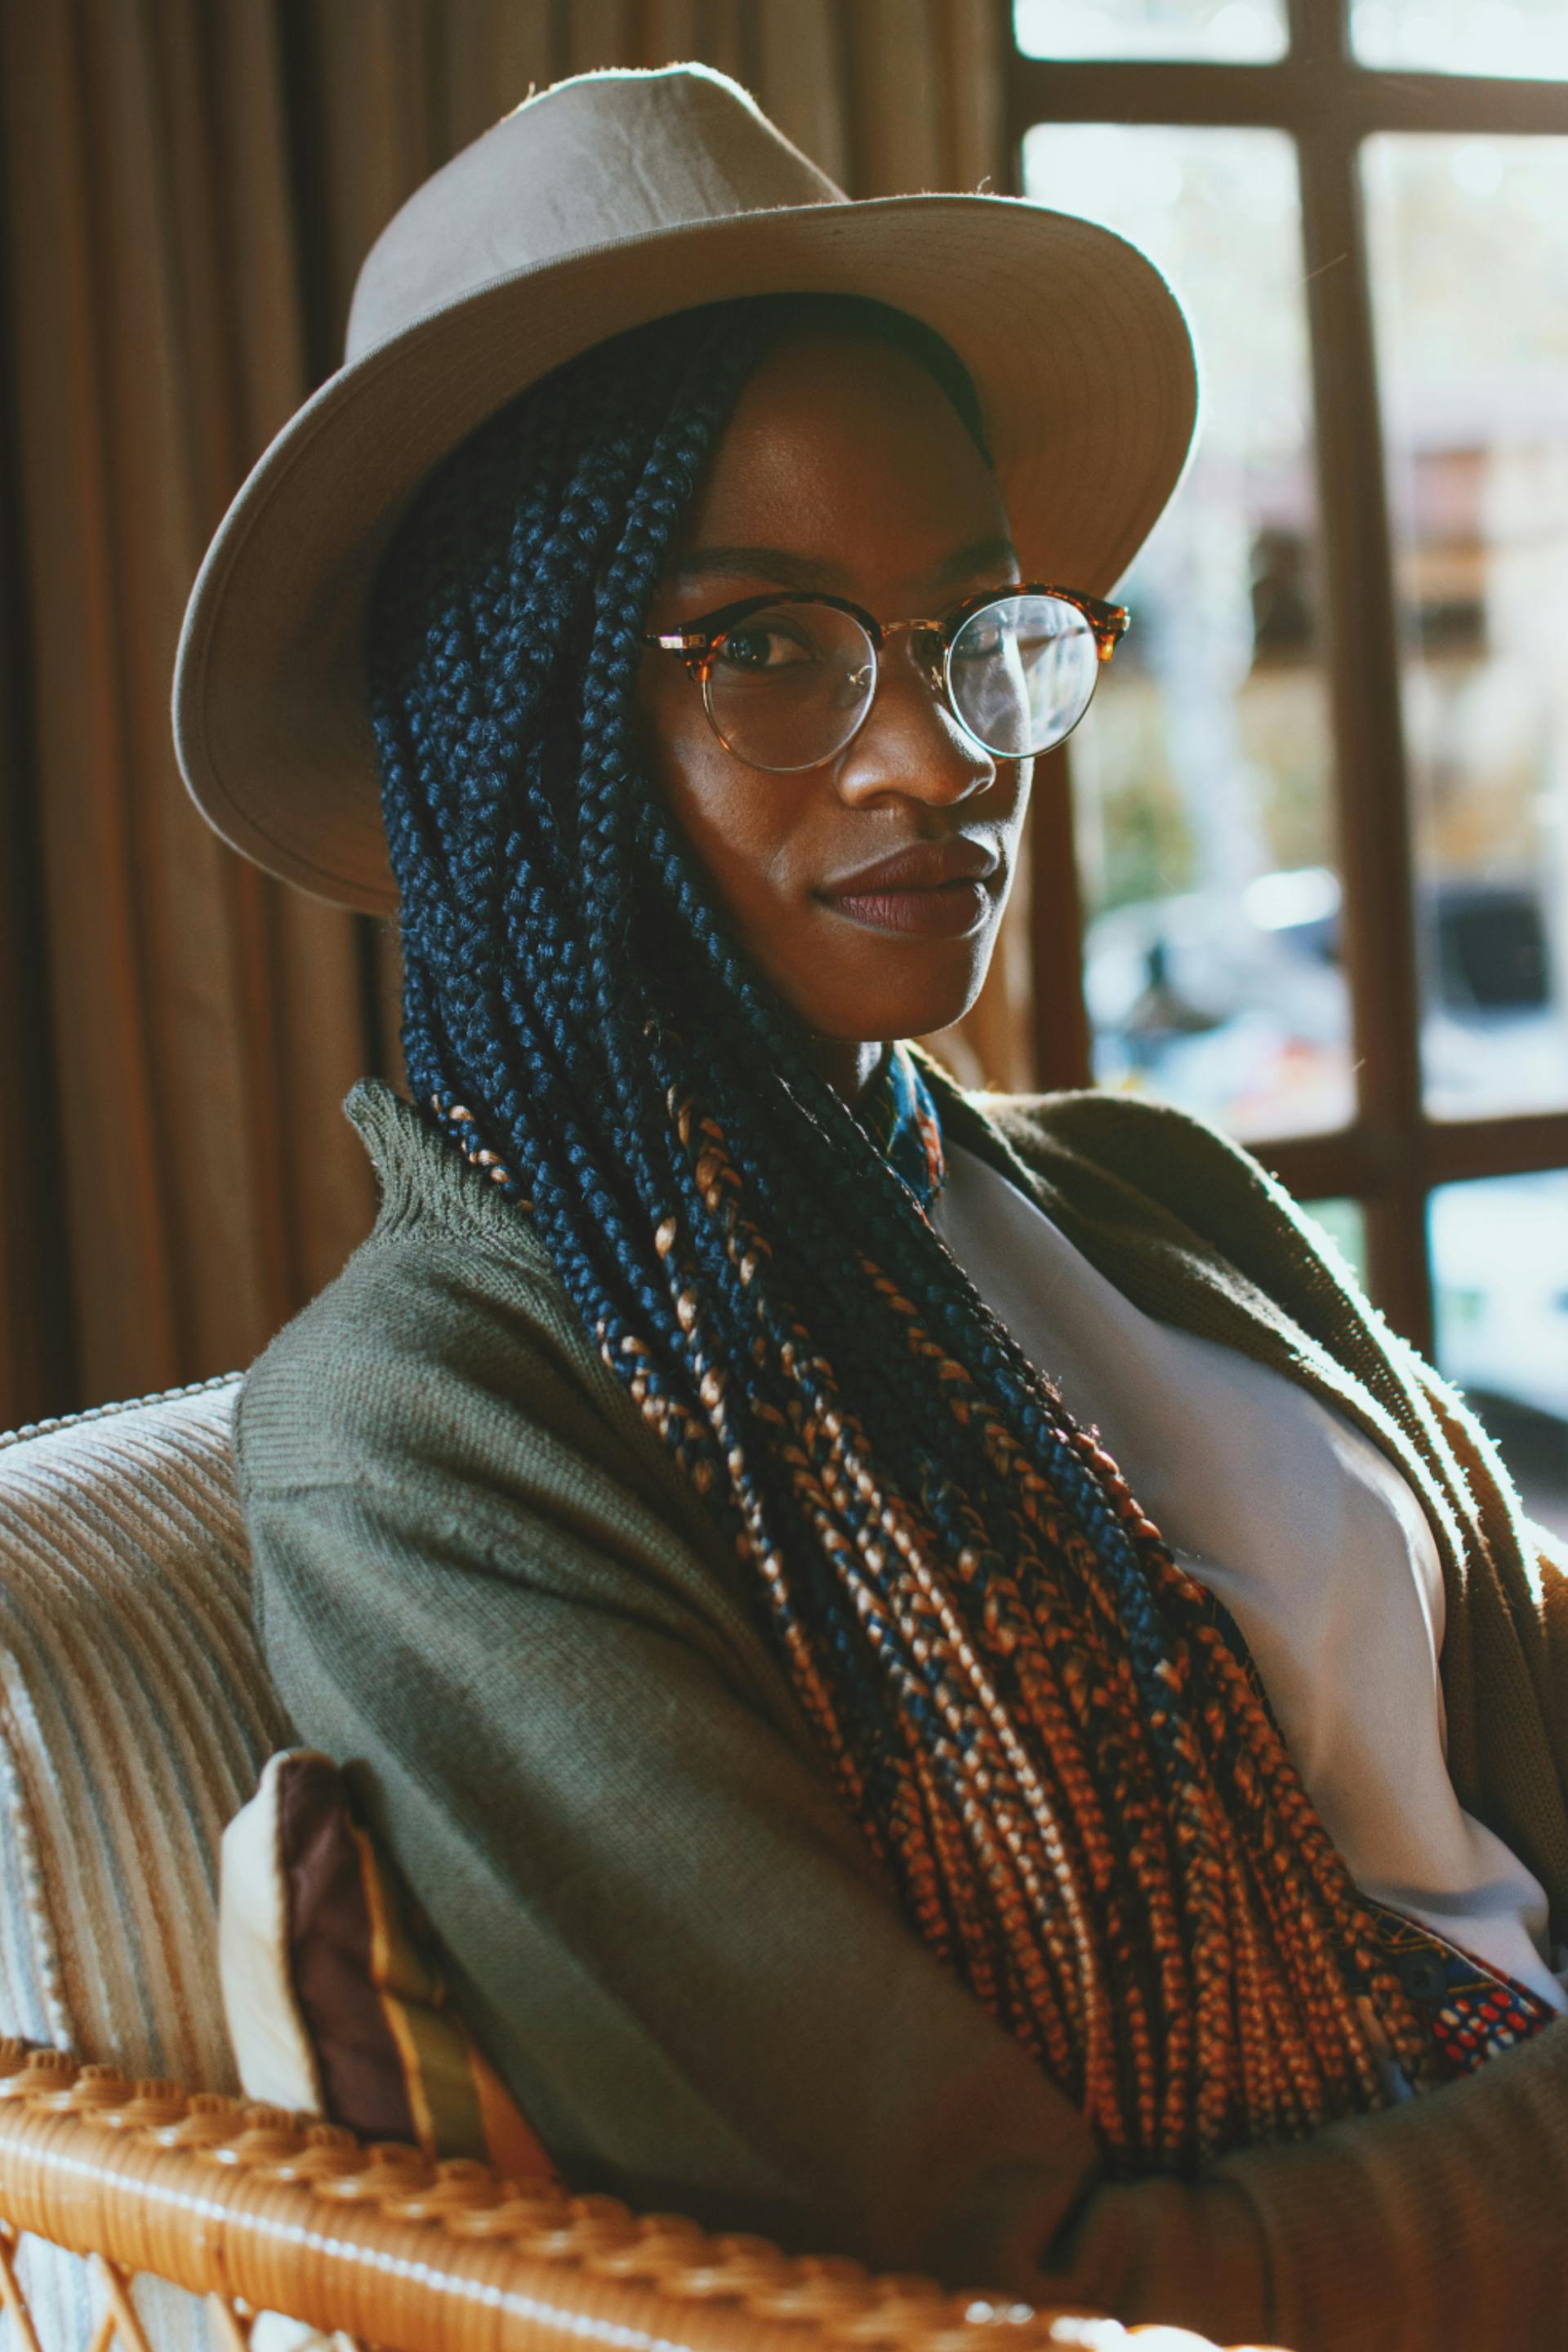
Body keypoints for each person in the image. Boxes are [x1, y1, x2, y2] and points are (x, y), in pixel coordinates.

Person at [175, 65, 1568, 2352]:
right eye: (768, 646)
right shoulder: (438, 1433)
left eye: (966, 631)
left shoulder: (1140, 1190)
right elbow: (979, 2294)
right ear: (521, 726)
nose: (938, 752)